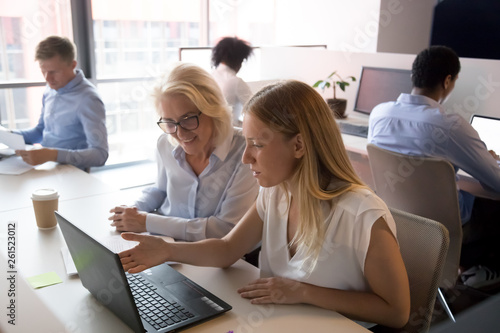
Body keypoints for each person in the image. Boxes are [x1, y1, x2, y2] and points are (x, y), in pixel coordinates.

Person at [118, 80, 411, 328]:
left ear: (298, 145)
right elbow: (228, 249)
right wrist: (167, 249)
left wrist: (302, 292)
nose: (246, 158)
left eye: (257, 144)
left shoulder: (361, 215)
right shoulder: (275, 194)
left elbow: (397, 312)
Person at [368, 45, 500, 288]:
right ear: (448, 80)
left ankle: (458, 268)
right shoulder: (450, 126)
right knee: (490, 204)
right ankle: (485, 270)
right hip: (440, 226)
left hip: (394, 217)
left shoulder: (379, 114)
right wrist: (487, 159)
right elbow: (496, 181)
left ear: (413, 76)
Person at [108, 63, 259, 242]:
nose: (179, 134)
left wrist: (146, 222)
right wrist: (133, 210)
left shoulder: (246, 151)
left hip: (219, 258)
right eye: (169, 122)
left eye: (187, 119)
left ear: (213, 110)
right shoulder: (165, 143)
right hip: (167, 244)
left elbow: (225, 229)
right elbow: (160, 189)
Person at [14, 35, 108, 170]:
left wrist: (53, 155)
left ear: (73, 65)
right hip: (47, 167)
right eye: (43, 71)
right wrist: (8, 135)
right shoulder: (50, 89)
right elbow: (40, 131)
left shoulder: (88, 99)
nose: (48, 78)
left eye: (53, 72)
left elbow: (100, 154)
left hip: (74, 173)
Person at [211, 36, 254, 126]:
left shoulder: (209, 77)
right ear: (239, 60)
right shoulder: (235, 82)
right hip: (230, 134)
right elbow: (255, 109)